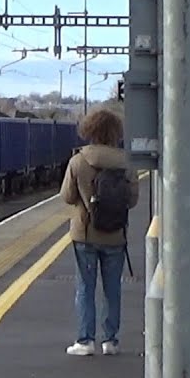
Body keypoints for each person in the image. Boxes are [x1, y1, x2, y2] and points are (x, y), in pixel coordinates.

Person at [59, 107, 141, 356]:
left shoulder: (78, 161)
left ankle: (85, 341)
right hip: (115, 234)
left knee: (85, 287)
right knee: (112, 288)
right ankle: (111, 341)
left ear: (89, 131)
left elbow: (66, 196)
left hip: (85, 234)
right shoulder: (127, 162)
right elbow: (133, 200)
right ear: (116, 132)